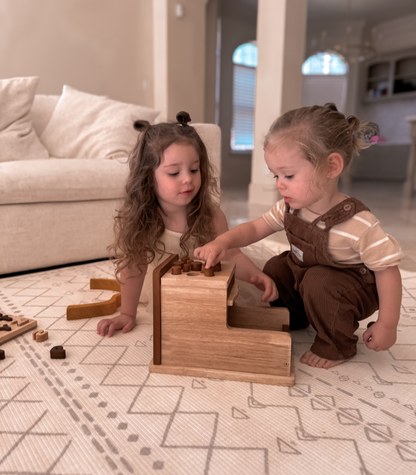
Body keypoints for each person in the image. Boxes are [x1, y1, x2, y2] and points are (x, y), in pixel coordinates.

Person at [195, 103, 404, 369]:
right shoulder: (289, 207)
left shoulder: (359, 224)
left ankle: (336, 344)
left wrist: (387, 323)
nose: (280, 183)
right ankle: (295, 317)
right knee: (276, 267)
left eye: (289, 175)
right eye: (276, 175)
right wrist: (223, 241)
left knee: (319, 281)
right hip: (309, 278)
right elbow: (256, 228)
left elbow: (387, 270)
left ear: (331, 166)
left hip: (351, 289)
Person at [97, 112, 278, 338]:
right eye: (174, 172)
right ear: (148, 178)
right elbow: (134, 266)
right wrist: (127, 314)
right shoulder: (144, 219)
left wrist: (254, 275)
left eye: (194, 169)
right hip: (164, 286)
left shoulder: (211, 215)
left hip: (205, 286)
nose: (187, 179)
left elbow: (231, 255)